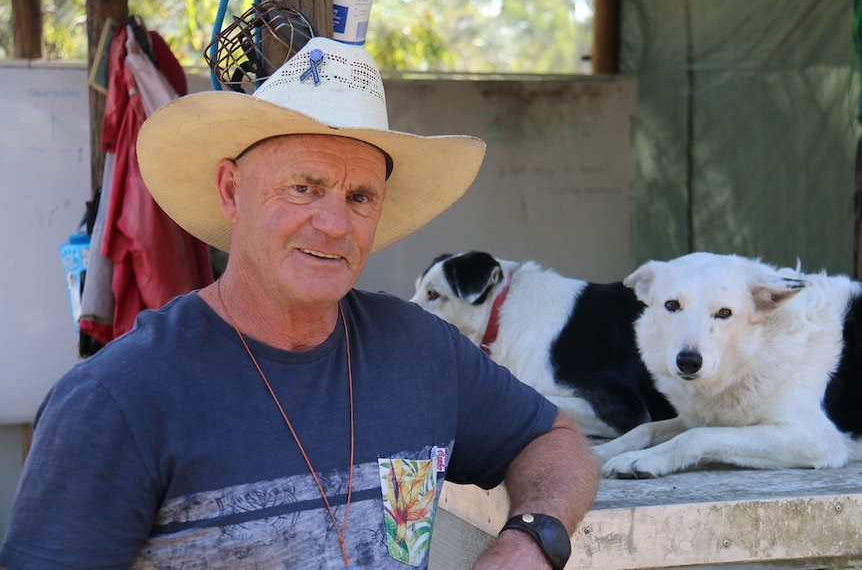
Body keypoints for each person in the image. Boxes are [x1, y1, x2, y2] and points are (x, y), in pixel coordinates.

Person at [0, 37, 599, 570]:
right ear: (232, 192)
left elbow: (555, 438)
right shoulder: (116, 401)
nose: (335, 223)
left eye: (360, 195)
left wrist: (529, 541)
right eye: (303, 187)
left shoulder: (420, 350)